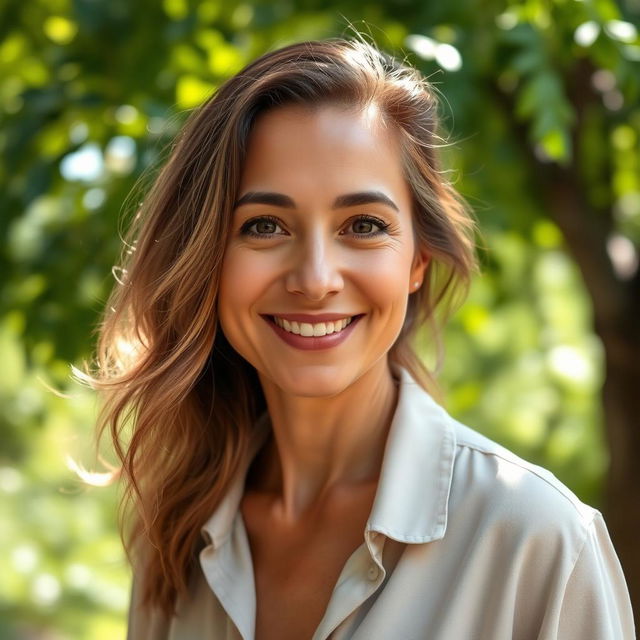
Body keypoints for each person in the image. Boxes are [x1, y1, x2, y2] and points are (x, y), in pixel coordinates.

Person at [91, 38, 635, 639]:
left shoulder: (539, 540)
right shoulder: (173, 541)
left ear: (419, 260)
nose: (316, 279)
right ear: (206, 258)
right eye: (264, 225)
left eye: (365, 226)